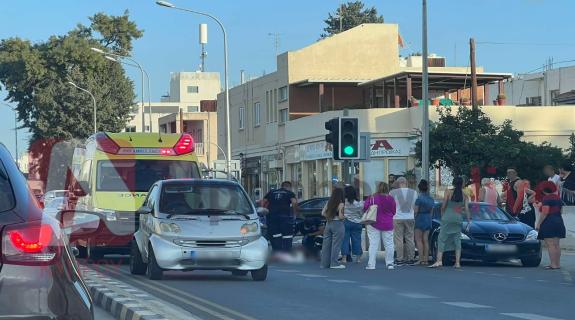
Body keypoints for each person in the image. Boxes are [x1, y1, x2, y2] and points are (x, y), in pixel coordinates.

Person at [429, 177, 471, 269]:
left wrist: (442, 215)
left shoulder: (448, 192)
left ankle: (439, 260)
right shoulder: (465, 195)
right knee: (457, 240)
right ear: (462, 184)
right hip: (458, 218)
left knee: (442, 238)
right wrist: (468, 221)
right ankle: (457, 263)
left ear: (453, 183)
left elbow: (443, 206)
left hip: (447, 217)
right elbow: (467, 210)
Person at [364, 182, 396, 270]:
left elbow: (365, 207)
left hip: (373, 223)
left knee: (373, 244)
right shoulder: (391, 198)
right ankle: (390, 263)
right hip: (388, 223)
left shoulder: (372, 198)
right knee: (389, 244)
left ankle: (371, 264)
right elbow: (394, 211)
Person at [535, 181, 566, 270]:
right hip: (559, 221)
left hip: (549, 222)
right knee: (556, 244)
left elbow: (545, 212)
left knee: (550, 244)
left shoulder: (546, 198)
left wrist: (538, 224)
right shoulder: (558, 198)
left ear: (544, 190)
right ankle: (557, 264)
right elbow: (560, 211)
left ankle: (553, 264)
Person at [261, 181, 298, 252]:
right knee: (287, 235)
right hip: (285, 217)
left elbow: (263, 201)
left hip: (272, 217)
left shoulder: (271, 192)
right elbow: (294, 202)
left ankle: (277, 251)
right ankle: (286, 252)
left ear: (281, 186)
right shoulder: (290, 193)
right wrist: (294, 214)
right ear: (289, 187)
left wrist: (263, 212)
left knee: (275, 234)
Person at [389, 177, 418, 265]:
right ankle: (411, 258)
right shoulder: (414, 192)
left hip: (397, 217)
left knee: (399, 239)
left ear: (398, 183)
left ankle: (399, 259)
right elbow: (415, 206)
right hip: (410, 217)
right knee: (410, 238)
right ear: (406, 183)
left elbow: (390, 206)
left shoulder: (392, 193)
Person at [320, 187, 346, 269]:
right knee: (336, 245)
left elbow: (323, 213)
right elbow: (341, 217)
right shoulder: (341, 204)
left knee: (326, 245)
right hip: (338, 224)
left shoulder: (329, 202)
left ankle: (324, 264)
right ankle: (334, 263)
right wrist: (345, 217)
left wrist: (330, 216)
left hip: (328, 223)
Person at [341, 186, 364, 263]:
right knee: (357, 240)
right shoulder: (358, 203)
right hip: (357, 223)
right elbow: (361, 214)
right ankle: (358, 259)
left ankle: (344, 258)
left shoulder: (343, 202)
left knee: (344, 240)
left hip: (345, 222)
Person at [414, 180, 435, 265]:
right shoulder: (431, 199)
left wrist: (414, 219)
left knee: (418, 240)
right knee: (425, 240)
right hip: (428, 218)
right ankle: (426, 259)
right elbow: (431, 212)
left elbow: (416, 211)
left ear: (419, 189)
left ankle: (420, 259)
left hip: (420, 217)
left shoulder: (418, 199)